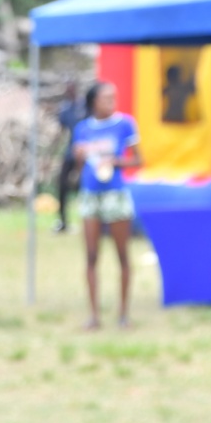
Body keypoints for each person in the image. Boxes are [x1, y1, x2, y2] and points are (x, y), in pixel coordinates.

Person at [71, 81, 143, 330]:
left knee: (122, 255)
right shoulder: (82, 129)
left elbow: (137, 159)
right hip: (91, 195)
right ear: (93, 102)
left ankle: (123, 315)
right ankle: (93, 316)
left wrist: (116, 161)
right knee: (91, 256)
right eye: (106, 98)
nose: (111, 101)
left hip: (115, 195)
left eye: (114, 97)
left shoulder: (125, 124)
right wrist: (80, 158)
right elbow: (80, 169)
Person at [52, 80, 82, 233]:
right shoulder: (65, 109)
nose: (69, 92)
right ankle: (63, 221)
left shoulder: (84, 107)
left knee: (85, 187)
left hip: (86, 154)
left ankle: (91, 221)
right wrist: (53, 153)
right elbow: (61, 133)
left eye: (71, 89)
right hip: (71, 152)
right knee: (63, 185)